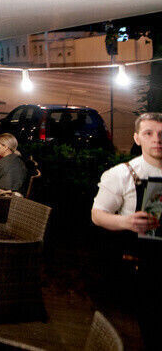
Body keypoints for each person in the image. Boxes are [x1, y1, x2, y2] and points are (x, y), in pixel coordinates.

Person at [91, 112, 162, 348]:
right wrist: (127, 222)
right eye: (148, 133)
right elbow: (97, 215)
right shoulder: (121, 174)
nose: (157, 139)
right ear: (137, 138)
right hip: (146, 266)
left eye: (161, 134)